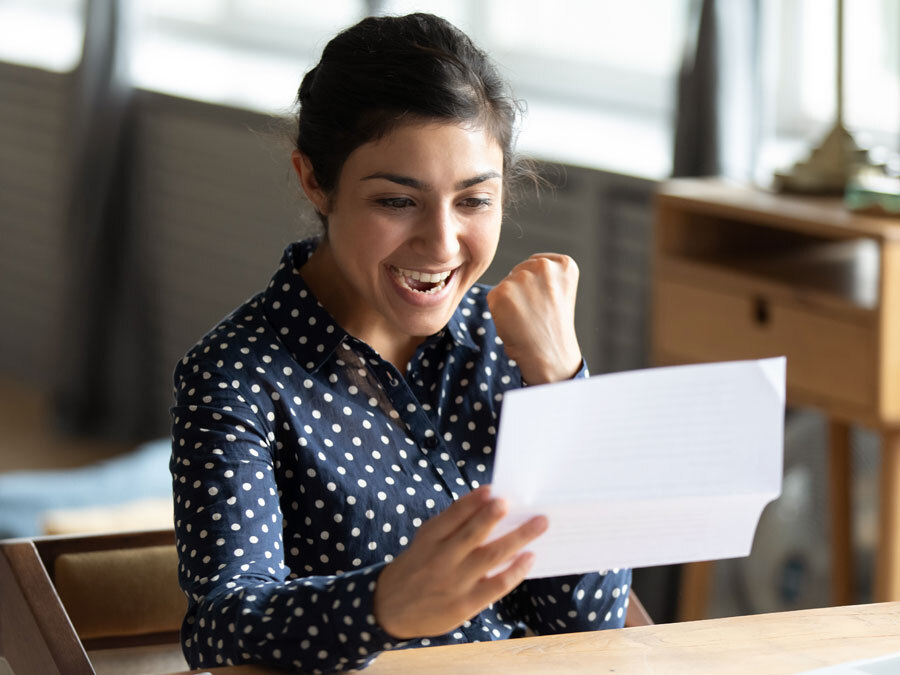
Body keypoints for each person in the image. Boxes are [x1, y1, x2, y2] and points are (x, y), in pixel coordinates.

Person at [170, 12, 631, 673]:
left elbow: (590, 620)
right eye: (396, 201)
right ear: (314, 181)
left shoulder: (519, 344)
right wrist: (384, 605)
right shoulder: (237, 374)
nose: (442, 244)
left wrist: (563, 384)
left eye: (473, 201)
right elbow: (222, 628)